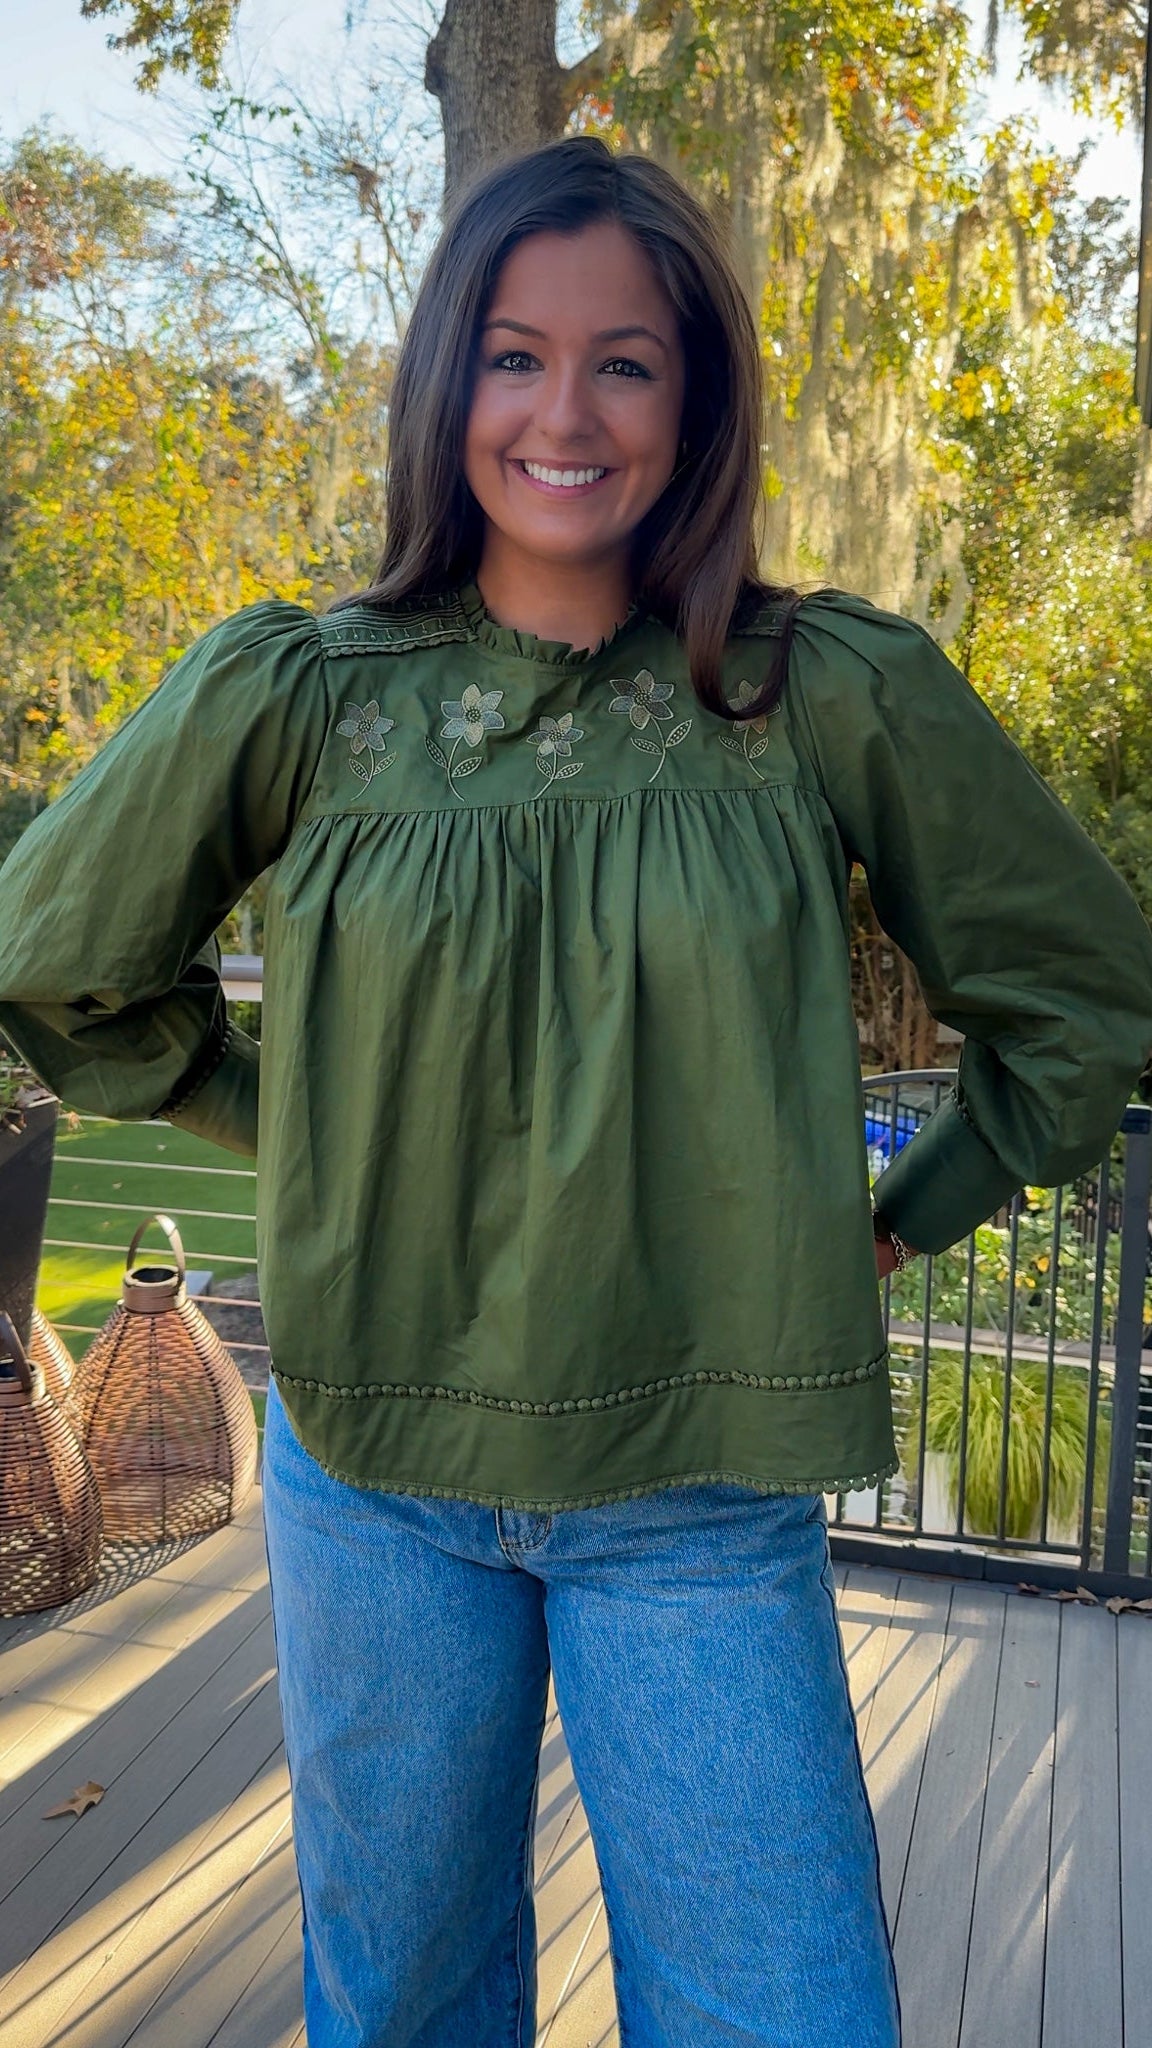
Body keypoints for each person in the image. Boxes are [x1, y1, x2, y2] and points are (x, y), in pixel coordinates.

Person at [1, 134, 1150, 2048]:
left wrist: (899, 1209)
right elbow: (53, 960)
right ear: (448, 378)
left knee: (779, 2008)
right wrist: (290, 1122)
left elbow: (1083, 1003)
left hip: (692, 1490)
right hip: (374, 1468)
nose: (563, 410)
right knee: (408, 2001)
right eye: (514, 353)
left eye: (626, 360)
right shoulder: (302, 695)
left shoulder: (819, 690)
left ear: (693, 400)